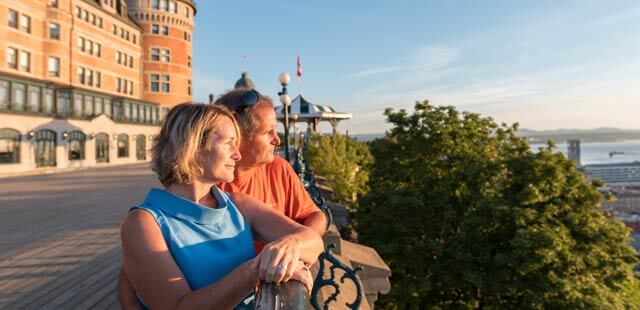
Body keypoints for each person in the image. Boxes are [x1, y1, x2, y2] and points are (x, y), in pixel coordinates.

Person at [118, 89, 327, 308]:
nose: (237, 154)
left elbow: (313, 241)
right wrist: (256, 270)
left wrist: (290, 244)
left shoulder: (237, 204)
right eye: (229, 143)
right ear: (195, 146)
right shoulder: (143, 223)